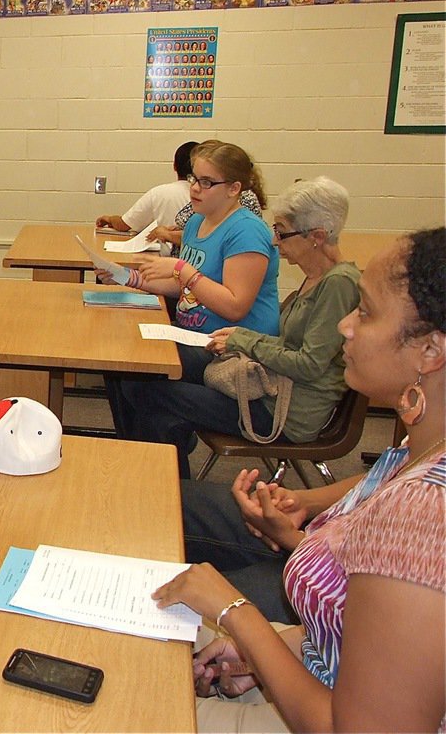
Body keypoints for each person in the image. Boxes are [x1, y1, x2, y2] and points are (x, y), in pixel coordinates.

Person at [153, 227, 445, 733]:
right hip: (322, 675)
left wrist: (235, 613)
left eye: (367, 313)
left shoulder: (422, 516)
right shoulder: (422, 453)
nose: (347, 327)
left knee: (122, 701)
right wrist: (269, 651)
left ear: (429, 351)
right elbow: (349, 644)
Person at [118, 177, 360, 481]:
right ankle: (169, 490)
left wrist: (245, 339)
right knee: (156, 407)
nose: (275, 241)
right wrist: (243, 339)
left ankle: (169, 494)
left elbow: (309, 364)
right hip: (270, 393)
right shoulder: (318, 280)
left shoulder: (338, 285)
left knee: (145, 390)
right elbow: (291, 347)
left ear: (317, 236)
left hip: (283, 413)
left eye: (282, 232)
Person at [95, 141, 198, 256]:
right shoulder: (201, 201)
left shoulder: (161, 193)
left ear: (174, 166)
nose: (196, 189)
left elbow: (124, 224)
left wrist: (110, 219)